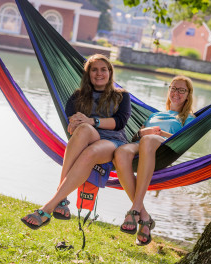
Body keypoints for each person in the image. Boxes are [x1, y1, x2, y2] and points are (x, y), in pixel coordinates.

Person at [21, 54, 131, 229]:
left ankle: (50, 205)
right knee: (83, 130)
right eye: (94, 69)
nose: (99, 73)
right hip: (86, 137)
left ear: (110, 72)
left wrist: (91, 121)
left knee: (89, 146)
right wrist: (79, 122)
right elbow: (73, 123)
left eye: (104, 69)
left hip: (113, 141)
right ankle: (61, 200)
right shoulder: (77, 96)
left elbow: (120, 123)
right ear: (88, 74)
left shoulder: (121, 96)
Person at [112, 75, 195, 246]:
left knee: (148, 140)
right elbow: (139, 134)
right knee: (120, 152)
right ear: (169, 90)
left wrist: (159, 134)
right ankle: (144, 217)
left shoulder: (188, 118)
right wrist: (145, 132)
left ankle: (134, 209)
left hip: (165, 148)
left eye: (182, 90)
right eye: (173, 88)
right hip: (141, 143)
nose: (176, 93)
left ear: (188, 95)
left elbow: (185, 140)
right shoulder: (156, 114)